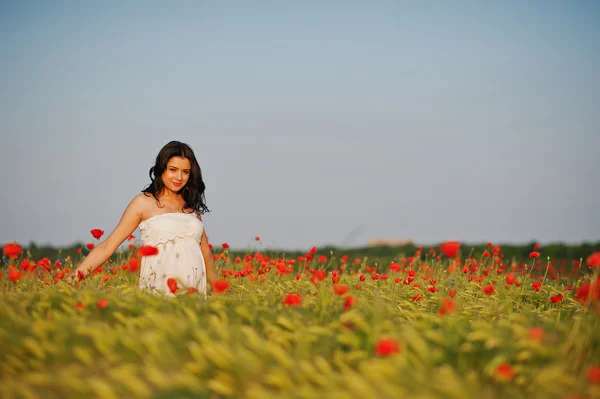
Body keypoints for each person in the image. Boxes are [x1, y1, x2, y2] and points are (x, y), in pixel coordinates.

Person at [66, 141, 218, 296]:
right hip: (159, 287)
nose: (179, 177)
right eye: (173, 170)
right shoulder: (143, 202)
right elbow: (108, 246)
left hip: (193, 292)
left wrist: (220, 295)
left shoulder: (191, 209)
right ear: (161, 169)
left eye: (185, 172)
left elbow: (206, 254)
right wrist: (72, 280)